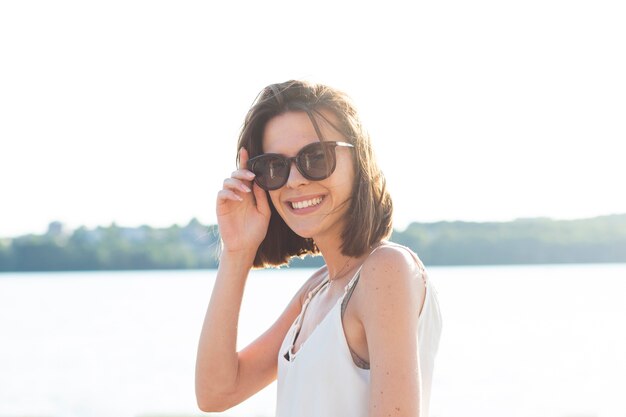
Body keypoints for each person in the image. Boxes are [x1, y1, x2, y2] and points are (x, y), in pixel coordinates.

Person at [195, 80, 442, 417]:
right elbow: (215, 392)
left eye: (316, 157)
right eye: (275, 166)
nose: (295, 180)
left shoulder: (387, 269)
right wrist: (237, 252)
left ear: (359, 161)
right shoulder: (316, 291)